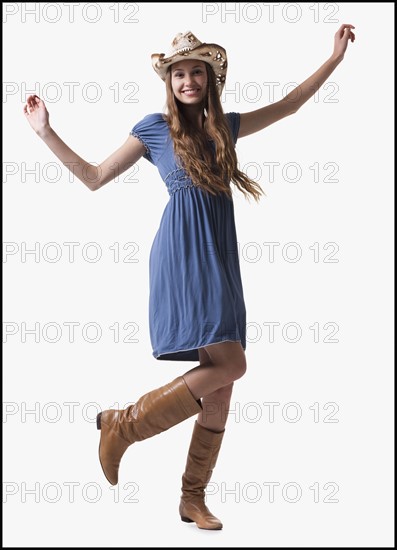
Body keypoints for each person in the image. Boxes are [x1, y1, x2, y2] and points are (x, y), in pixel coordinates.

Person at [23, 25, 355, 530]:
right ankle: (124, 424)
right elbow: (93, 177)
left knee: (221, 384)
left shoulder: (227, 126)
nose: (187, 79)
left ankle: (191, 498)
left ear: (210, 77)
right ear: (169, 81)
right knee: (231, 365)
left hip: (221, 256)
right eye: (178, 72)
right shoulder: (154, 129)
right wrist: (46, 131)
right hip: (182, 254)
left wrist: (333, 59)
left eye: (195, 70)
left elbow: (289, 105)